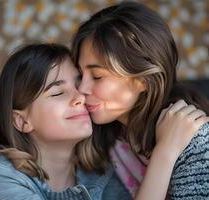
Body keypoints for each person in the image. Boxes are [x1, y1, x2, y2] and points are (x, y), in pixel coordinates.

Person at [71, 1, 209, 199]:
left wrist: (164, 153)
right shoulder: (103, 144)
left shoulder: (195, 139)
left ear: (144, 79)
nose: (81, 89)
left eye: (97, 76)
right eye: (80, 75)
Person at [0, 43, 132, 200]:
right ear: (22, 121)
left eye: (79, 85)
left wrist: (160, 154)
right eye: (58, 92)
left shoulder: (105, 173)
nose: (81, 97)